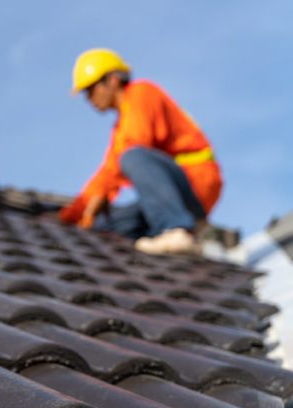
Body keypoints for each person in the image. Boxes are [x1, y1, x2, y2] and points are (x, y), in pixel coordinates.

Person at [59, 48, 223, 255]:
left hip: (195, 184)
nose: (89, 99)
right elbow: (107, 172)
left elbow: (134, 147)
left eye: (91, 90)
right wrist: (69, 216)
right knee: (108, 226)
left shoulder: (142, 93)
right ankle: (168, 235)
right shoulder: (120, 128)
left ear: (112, 80)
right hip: (171, 194)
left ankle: (176, 230)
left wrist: (101, 194)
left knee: (133, 156)